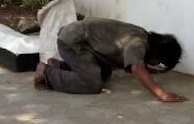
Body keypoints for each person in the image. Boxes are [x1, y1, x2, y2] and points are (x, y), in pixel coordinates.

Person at [34, 17, 186, 102]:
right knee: (92, 83)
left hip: (81, 42)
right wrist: (161, 94)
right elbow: (136, 68)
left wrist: (151, 71)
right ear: (158, 51)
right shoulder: (139, 42)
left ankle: (61, 66)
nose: (154, 64)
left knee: (104, 72)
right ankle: (47, 74)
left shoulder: (141, 35)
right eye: (158, 62)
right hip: (72, 42)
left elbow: (136, 65)